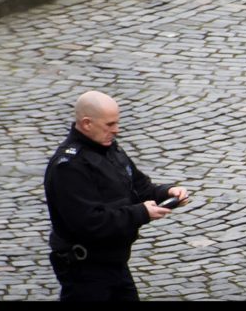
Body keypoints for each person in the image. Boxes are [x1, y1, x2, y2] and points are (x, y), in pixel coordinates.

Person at [43, 91, 189, 301]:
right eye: (109, 125)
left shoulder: (109, 149)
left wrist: (167, 192)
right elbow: (91, 222)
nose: (116, 130)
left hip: (114, 263)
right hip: (85, 270)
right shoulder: (69, 168)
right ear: (87, 124)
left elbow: (139, 187)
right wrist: (141, 213)